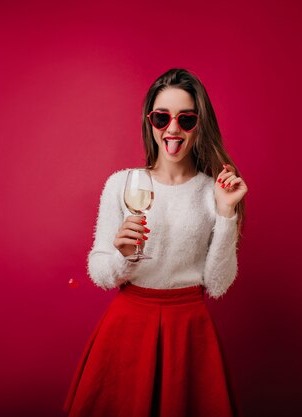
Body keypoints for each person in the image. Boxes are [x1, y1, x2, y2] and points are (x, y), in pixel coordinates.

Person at [62, 68, 248, 417]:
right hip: (128, 327)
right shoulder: (122, 184)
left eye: (186, 119)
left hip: (189, 329)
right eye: (161, 117)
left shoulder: (214, 192)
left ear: (200, 124)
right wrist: (123, 257)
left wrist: (225, 215)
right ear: (150, 121)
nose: (172, 129)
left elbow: (219, 284)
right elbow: (101, 273)